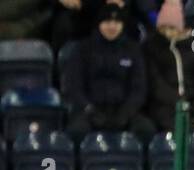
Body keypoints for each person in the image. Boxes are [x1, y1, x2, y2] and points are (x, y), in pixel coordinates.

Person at [61, 6, 153, 138]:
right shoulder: (83, 49)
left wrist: (126, 112)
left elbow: (139, 88)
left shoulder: (133, 50)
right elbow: (73, 86)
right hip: (90, 110)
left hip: (124, 110)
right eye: (107, 22)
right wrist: (89, 110)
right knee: (77, 131)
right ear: (99, 24)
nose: (112, 27)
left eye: (117, 22)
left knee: (145, 129)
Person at [142, 1, 194, 135]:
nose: (168, 32)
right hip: (164, 108)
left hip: (193, 107)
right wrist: (181, 103)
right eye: (165, 27)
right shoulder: (151, 47)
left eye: (172, 27)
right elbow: (155, 83)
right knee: (185, 132)